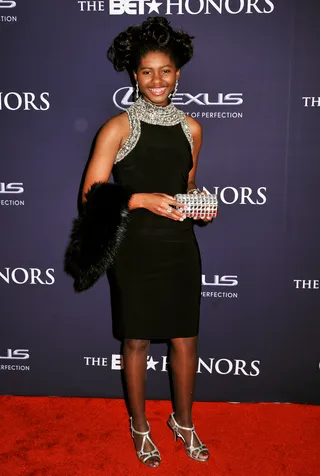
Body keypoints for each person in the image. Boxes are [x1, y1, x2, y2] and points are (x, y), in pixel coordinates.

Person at [81, 16, 212, 468]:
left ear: (179, 74)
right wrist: (140, 199)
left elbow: (188, 184)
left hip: (178, 245)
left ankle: (184, 422)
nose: (157, 80)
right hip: (134, 249)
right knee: (136, 341)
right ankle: (140, 426)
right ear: (134, 75)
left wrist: (202, 203)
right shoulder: (118, 127)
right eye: (146, 71)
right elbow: (91, 195)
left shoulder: (192, 128)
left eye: (166, 71)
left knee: (185, 339)